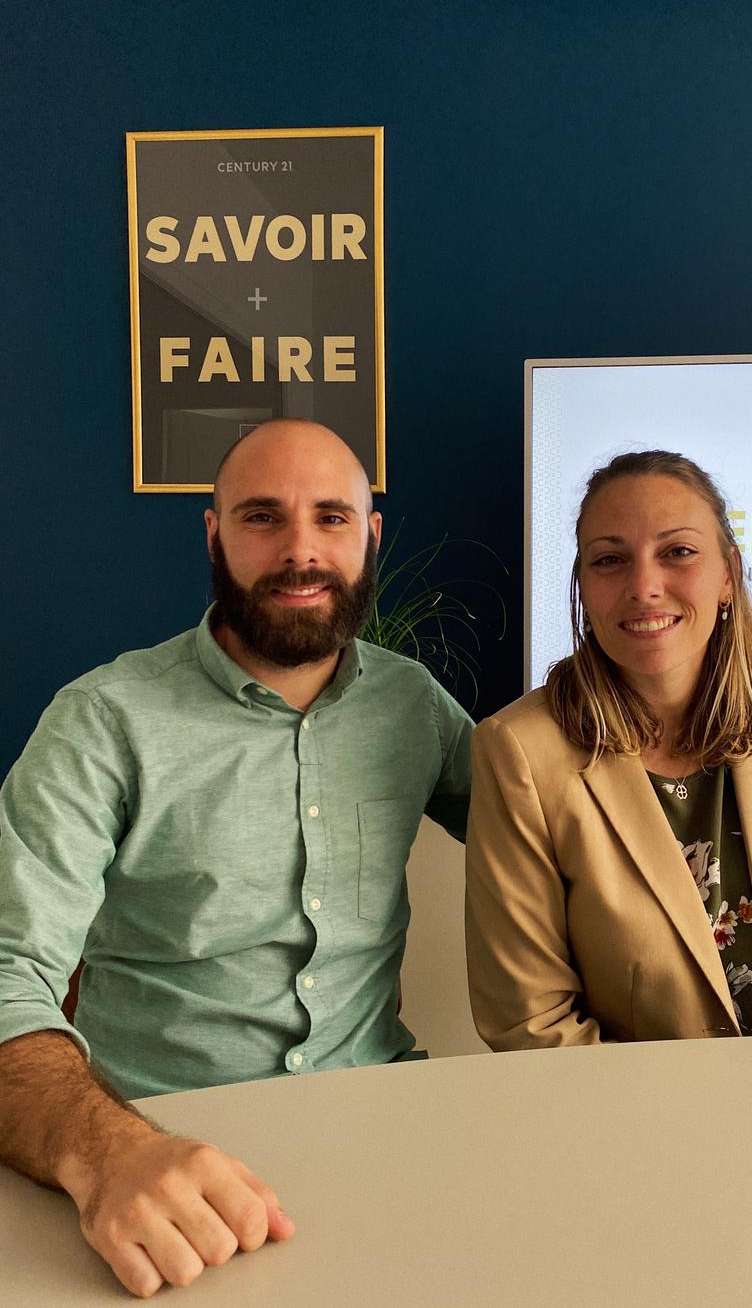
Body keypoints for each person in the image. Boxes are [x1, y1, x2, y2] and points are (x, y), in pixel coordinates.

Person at [0, 418, 473, 1297]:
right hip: (153, 1148)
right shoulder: (104, 720)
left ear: (371, 537)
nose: (301, 549)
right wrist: (108, 1154)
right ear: (214, 535)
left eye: (332, 518)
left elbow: (560, 844)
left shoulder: (414, 704)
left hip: (386, 1134)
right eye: (263, 517)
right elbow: (5, 971)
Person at [466, 450, 752, 1051]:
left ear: (728, 575)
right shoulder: (521, 752)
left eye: (678, 552)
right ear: (583, 586)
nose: (645, 587)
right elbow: (534, 1023)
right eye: (610, 560)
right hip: (634, 1117)